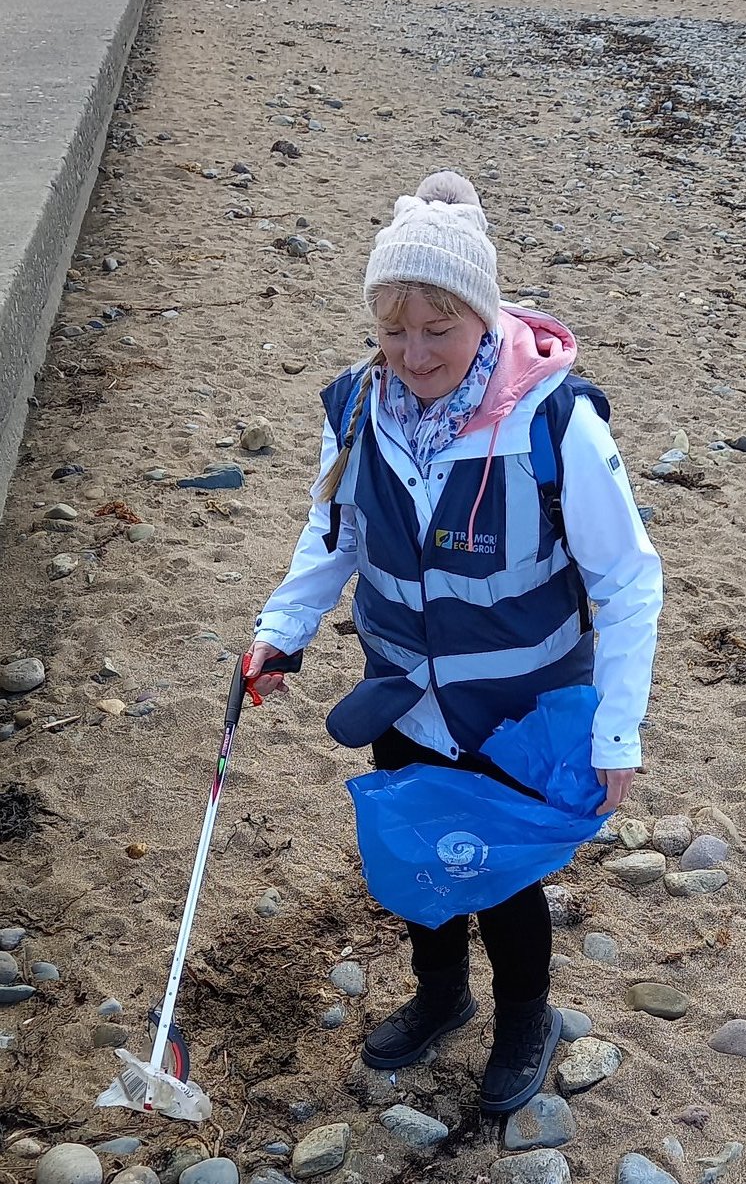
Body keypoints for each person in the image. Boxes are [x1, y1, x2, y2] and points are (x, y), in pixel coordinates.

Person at [247, 172, 662, 1114]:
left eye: (439, 329)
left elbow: (629, 578)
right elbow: (332, 535)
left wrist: (618, 730)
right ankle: (441, 996)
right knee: (417, 856)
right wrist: (281, 631)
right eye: (393, 330)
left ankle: (525, 1017)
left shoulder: (555, 420)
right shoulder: (357, 406)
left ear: (482, 314)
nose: (414, 353)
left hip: (519, 710)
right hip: (403, 694)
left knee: (503, 876)